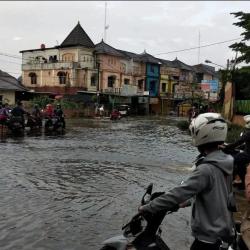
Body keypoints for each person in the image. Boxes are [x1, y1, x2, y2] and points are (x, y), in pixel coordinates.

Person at [139, 112, 234, 250]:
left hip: (207, 240)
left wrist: (148, 207)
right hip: (222, 234)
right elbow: (211, 194)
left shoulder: (206, 169)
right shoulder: (225, 163)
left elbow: (179, 193)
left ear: (202, 135)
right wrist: (182, 204)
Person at [222, 114, 250, 190]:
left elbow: (238, 142)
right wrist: (236, 147)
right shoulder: (247, 133)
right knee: (240, 164)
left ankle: (231, 181)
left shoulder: (248, 133)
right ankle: (242, 183)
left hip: (247, 155)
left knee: (230, 160)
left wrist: (226, 147)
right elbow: (245, 144)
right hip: (246, 153)